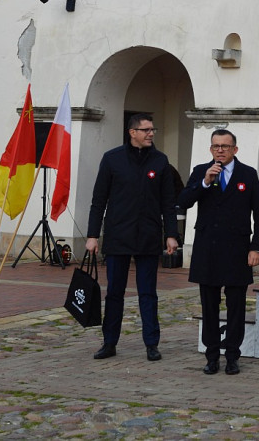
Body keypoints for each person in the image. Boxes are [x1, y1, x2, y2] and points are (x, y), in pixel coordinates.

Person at [86, 113, 179, 362]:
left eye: (153, 129)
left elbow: (168, 203)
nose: (151, 133)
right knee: (114, 293)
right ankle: (109, 342)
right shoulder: (112, 159)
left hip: (148, 236)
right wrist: (93, 235)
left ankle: (151, 343)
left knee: (148, 293)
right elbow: (98, 200)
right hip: (118, 235)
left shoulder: (160, 161)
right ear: (132, 132)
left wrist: (171, 234)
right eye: (146, 129)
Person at [179, 129, 259, 376]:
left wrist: (256, 247)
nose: (220, 150)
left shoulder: (247, 174)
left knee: (236, 306)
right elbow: (183, 201)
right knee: (209, 306)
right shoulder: (201, 172)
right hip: (208, 248)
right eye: (216, 146)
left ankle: (232, 356)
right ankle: (211, 355)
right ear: (210, 149)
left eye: (225, 146)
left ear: (235, 150)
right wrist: (205, 182)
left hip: (237, 249)